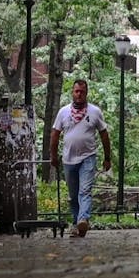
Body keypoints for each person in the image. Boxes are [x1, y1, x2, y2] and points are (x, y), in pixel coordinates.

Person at [49, 79, 112, 238]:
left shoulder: (95, 111)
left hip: (88, 157)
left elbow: (104, 135)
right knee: (73, 195)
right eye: (76, 91)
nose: (79, 94)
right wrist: (53, 155)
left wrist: (107, 157)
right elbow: (55, 134)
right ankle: (77, 223)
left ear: (86, 93)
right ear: (72, 92)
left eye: (82, 91)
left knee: (85, 191)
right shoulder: (63, 112)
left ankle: (83, 219)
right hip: (68, 159)